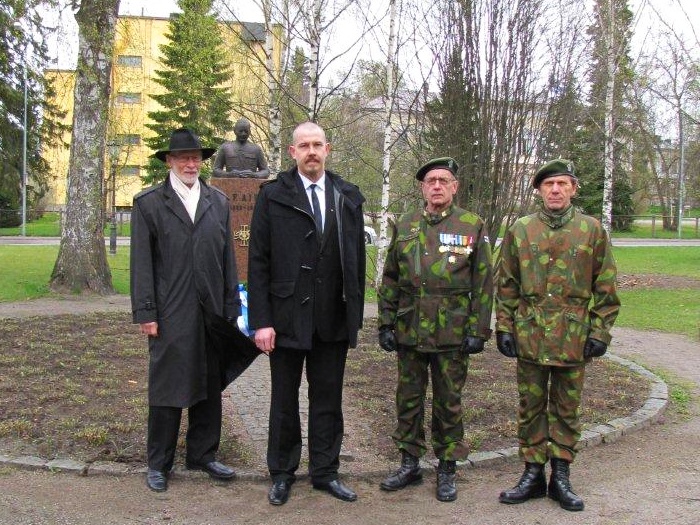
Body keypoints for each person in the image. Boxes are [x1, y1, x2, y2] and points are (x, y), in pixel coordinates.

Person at [247, 121, 366, 505]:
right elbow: (258, 261)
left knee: (328, 399)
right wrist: (261, 321)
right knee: (284, 400)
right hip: (284, 318)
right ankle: (282, 473)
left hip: (333, 317)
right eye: (304, 145)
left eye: (317, 145)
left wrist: (354, 317)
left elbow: (357, 260)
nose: (311, 152)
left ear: (327, 149)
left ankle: (325, 472)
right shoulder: (273, 195)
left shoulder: (347, 196)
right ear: (292, 151)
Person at [495, 159, 621, 512]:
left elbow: (606, 286)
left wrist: (600, 331)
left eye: (562, 184)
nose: (555, 190)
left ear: (573, 189)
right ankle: (532, 474)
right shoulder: (521, 230)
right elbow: (506, 284)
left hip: (572, 337)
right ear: (538, 190)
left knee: (567, 408)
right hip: (531, 334)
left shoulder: (591, 230)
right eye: (548, 184)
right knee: (530, 406)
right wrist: (504, 326)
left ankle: (561, 476)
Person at [377, 157, 494, 502]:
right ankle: (409, 463)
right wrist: (386, 322)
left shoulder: (471, 225)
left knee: (448, 402)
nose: (437, 186)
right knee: (408, 399)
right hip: (410, 329)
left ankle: (447, 467)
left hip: (451, 332)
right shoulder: (406, 223)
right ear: (423, 188)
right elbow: (390, 278)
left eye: (444, 180)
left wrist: (478, 330)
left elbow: (484, 283)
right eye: (431, 181)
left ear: (454, 187)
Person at [130, 128, 241, 493]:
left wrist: (231, 306)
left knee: (209, 383)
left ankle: (203, 454)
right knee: (167, 386)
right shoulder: (149, 204)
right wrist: (146, 312)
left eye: (196, 158)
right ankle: (158, 462)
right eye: (183, 158)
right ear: (170, 161)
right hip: (170, 311)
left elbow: (227, 259)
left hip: (212, 311)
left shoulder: (217, 201)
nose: (191, 164)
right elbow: (141, 264)